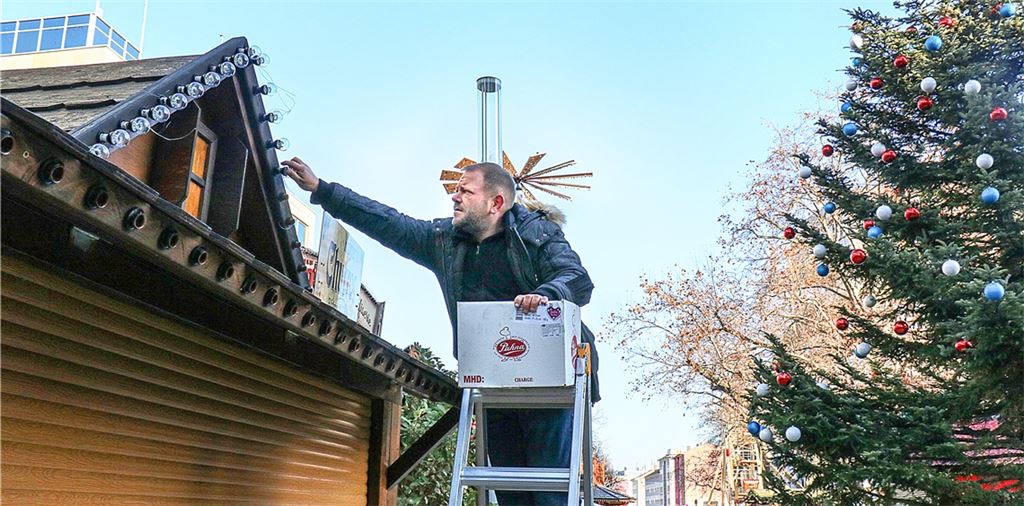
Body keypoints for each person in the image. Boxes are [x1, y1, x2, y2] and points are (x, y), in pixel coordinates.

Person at [283, 157, 599, 506]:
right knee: (511, 493)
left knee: (547, 490)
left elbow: (576, 278)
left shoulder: (538, 233)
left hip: (549, 380)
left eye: (466, 191)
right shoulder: (444, 241)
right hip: (494, 379)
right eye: (456, 190)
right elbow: (390, 223)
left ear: (496, 203)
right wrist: (323, 191)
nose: (455, 197)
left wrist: (546, 295)